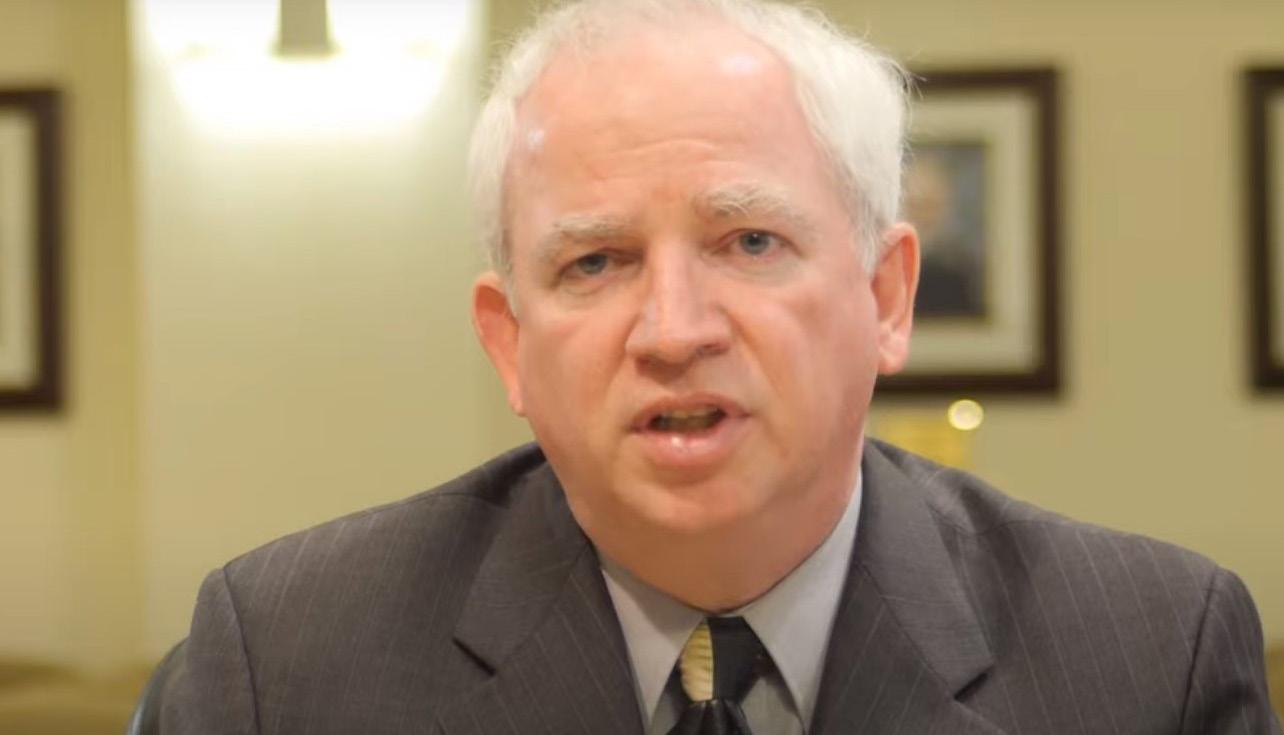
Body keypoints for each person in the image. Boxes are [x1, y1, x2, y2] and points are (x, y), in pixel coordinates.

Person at [160, 0, 1280, 732]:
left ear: (885, 299)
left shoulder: (1151, 658)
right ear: (510, 343)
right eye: (595, 261)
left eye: (749, 242)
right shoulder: (285, 662)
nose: (673, 329)